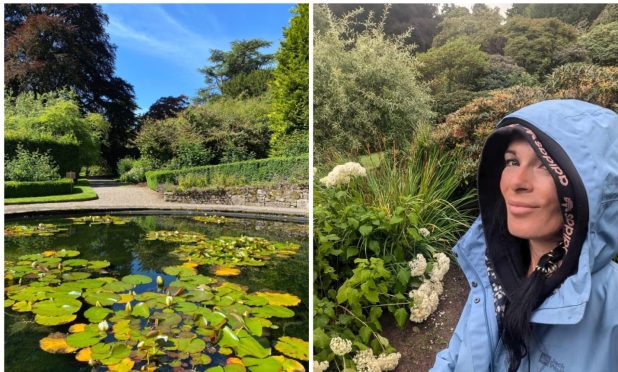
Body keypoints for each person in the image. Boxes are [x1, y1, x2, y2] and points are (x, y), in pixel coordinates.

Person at [430, 99, 618, 372]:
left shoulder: (611, 311)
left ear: (592, 189)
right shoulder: (494, 273)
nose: (516, 182)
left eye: (544, 165)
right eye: (512, 161)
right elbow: (456, 356)